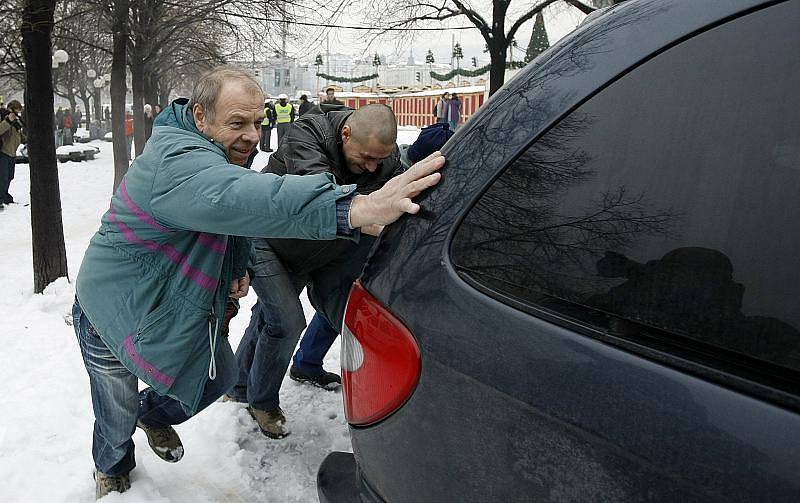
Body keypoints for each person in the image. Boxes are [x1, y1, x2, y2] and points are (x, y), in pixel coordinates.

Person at [72, 67, 443, 499]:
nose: (251, 136)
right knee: (115, 412)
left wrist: (237, 268)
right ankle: (112, 464)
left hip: (163, 309)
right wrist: (352, 208)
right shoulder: (176, 162)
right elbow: (244, 197)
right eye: (237, 123)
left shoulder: (215, 152)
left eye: (257, 122)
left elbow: (231, 223)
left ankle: (151, 413)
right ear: (201, 116)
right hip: (110, 312)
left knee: (218, 376)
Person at [231, 103, 410, 439]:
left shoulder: (385, 161)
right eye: (367, 156)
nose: (373, 166)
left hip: (317, 251)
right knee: (286, 322)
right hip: (270, 239)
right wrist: (370, 213)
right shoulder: (307, 134)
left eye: (380, 159)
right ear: (345, 134)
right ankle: (263, 401)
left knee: (269, 317)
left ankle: (240, 383)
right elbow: (317, 198)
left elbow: (397, 198)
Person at [289, 121, 455, 385]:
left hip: (360, 258)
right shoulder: (389, 172)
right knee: (338, 310)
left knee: (339, 307)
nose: (372, 165)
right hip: (352, 255)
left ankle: (306, 363)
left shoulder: (391, 165)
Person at [0, 100, 26, 210]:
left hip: (12, 153)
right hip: (3, 152)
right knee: (3, 178)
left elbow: (19, 135)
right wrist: (8, 121)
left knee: (10, 177)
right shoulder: (4, 118)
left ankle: (5, 196)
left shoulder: (16, 121)